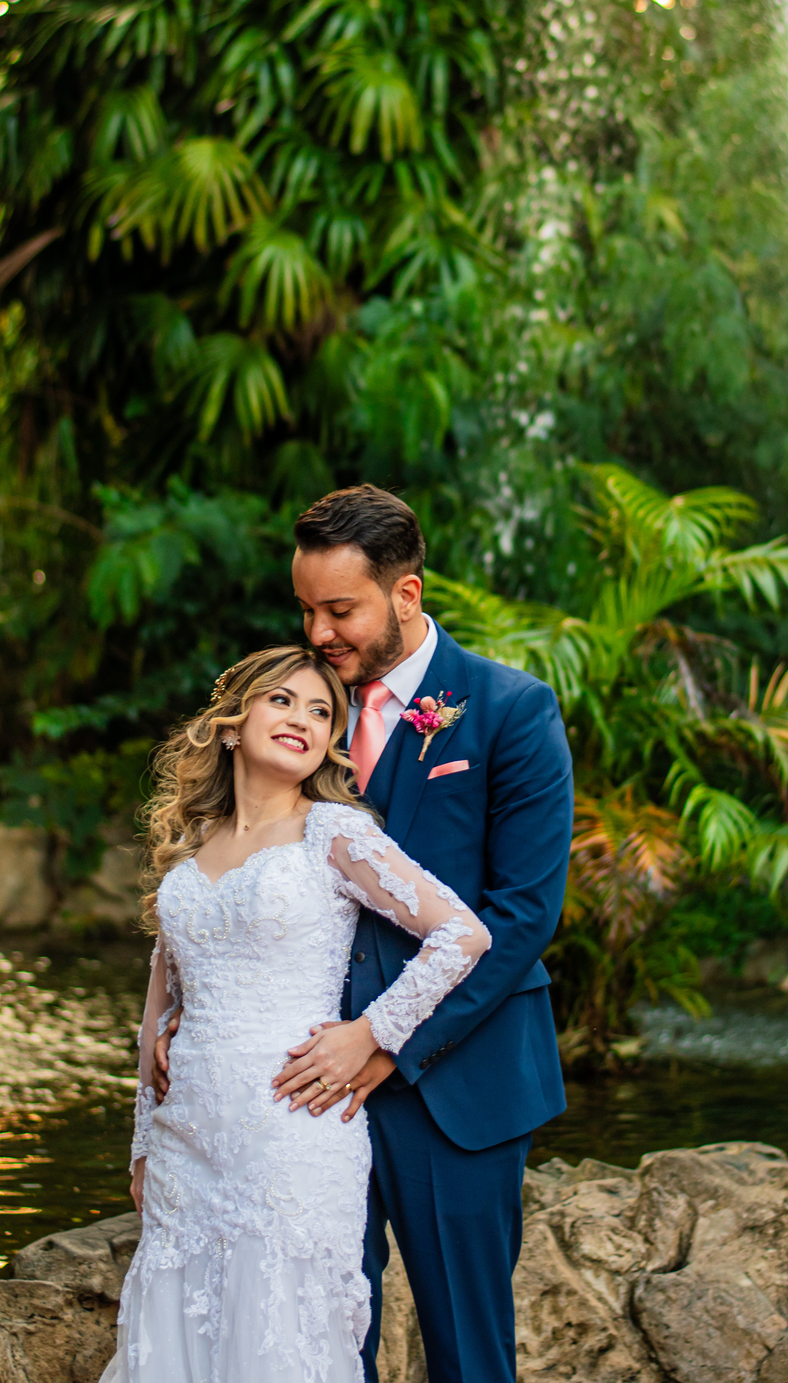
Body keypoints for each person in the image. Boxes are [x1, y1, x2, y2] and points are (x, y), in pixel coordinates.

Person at [151, 485, 575, 1383]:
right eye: (306, 610)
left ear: (406, 596)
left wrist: (384, 1040)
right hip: (298, 1104)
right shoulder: (309, 717)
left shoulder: (511, 711)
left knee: (467, 1351)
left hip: (456, 1081)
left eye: (340, 610)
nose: (319, 633)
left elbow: (524, 912)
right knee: (320, 1346)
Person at [103, 643, 492, 1383]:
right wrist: (143, 1148)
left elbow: (461, 934)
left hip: (291, 1131)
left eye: (322, 711)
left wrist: (371, 1032)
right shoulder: (188, 854)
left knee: (282, 1340)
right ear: (230, 724)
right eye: (282, 700)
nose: (304, 720)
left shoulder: (334, 834)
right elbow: (160, 1012)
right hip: (188, 1144)